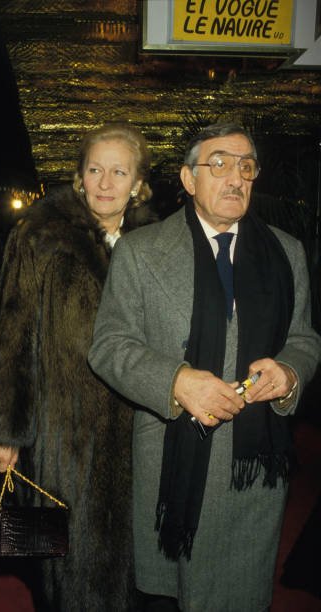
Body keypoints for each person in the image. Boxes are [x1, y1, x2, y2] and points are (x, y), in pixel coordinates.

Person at [88, 122, 321, 612]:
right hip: (172, 469)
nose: (235, 177)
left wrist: (289, 373)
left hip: (252, 472)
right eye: (218, 164)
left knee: (240, 595)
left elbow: (304, 339)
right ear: (189, 179)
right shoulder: (140, 250)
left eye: (245, 166)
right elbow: (109, 345)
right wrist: (175, 381)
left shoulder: (287, 252)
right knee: (171, 597)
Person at [0, 121, 156, 611]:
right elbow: (9, 332)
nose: (105, 182)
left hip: (140, 428)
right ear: (79, 176)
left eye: (119, 171)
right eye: (95, 169)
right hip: (62, 431)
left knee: (136, 565)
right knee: (66, 566)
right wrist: (4, 428)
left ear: (138, 183)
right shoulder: (39, 234)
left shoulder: (157, 244)